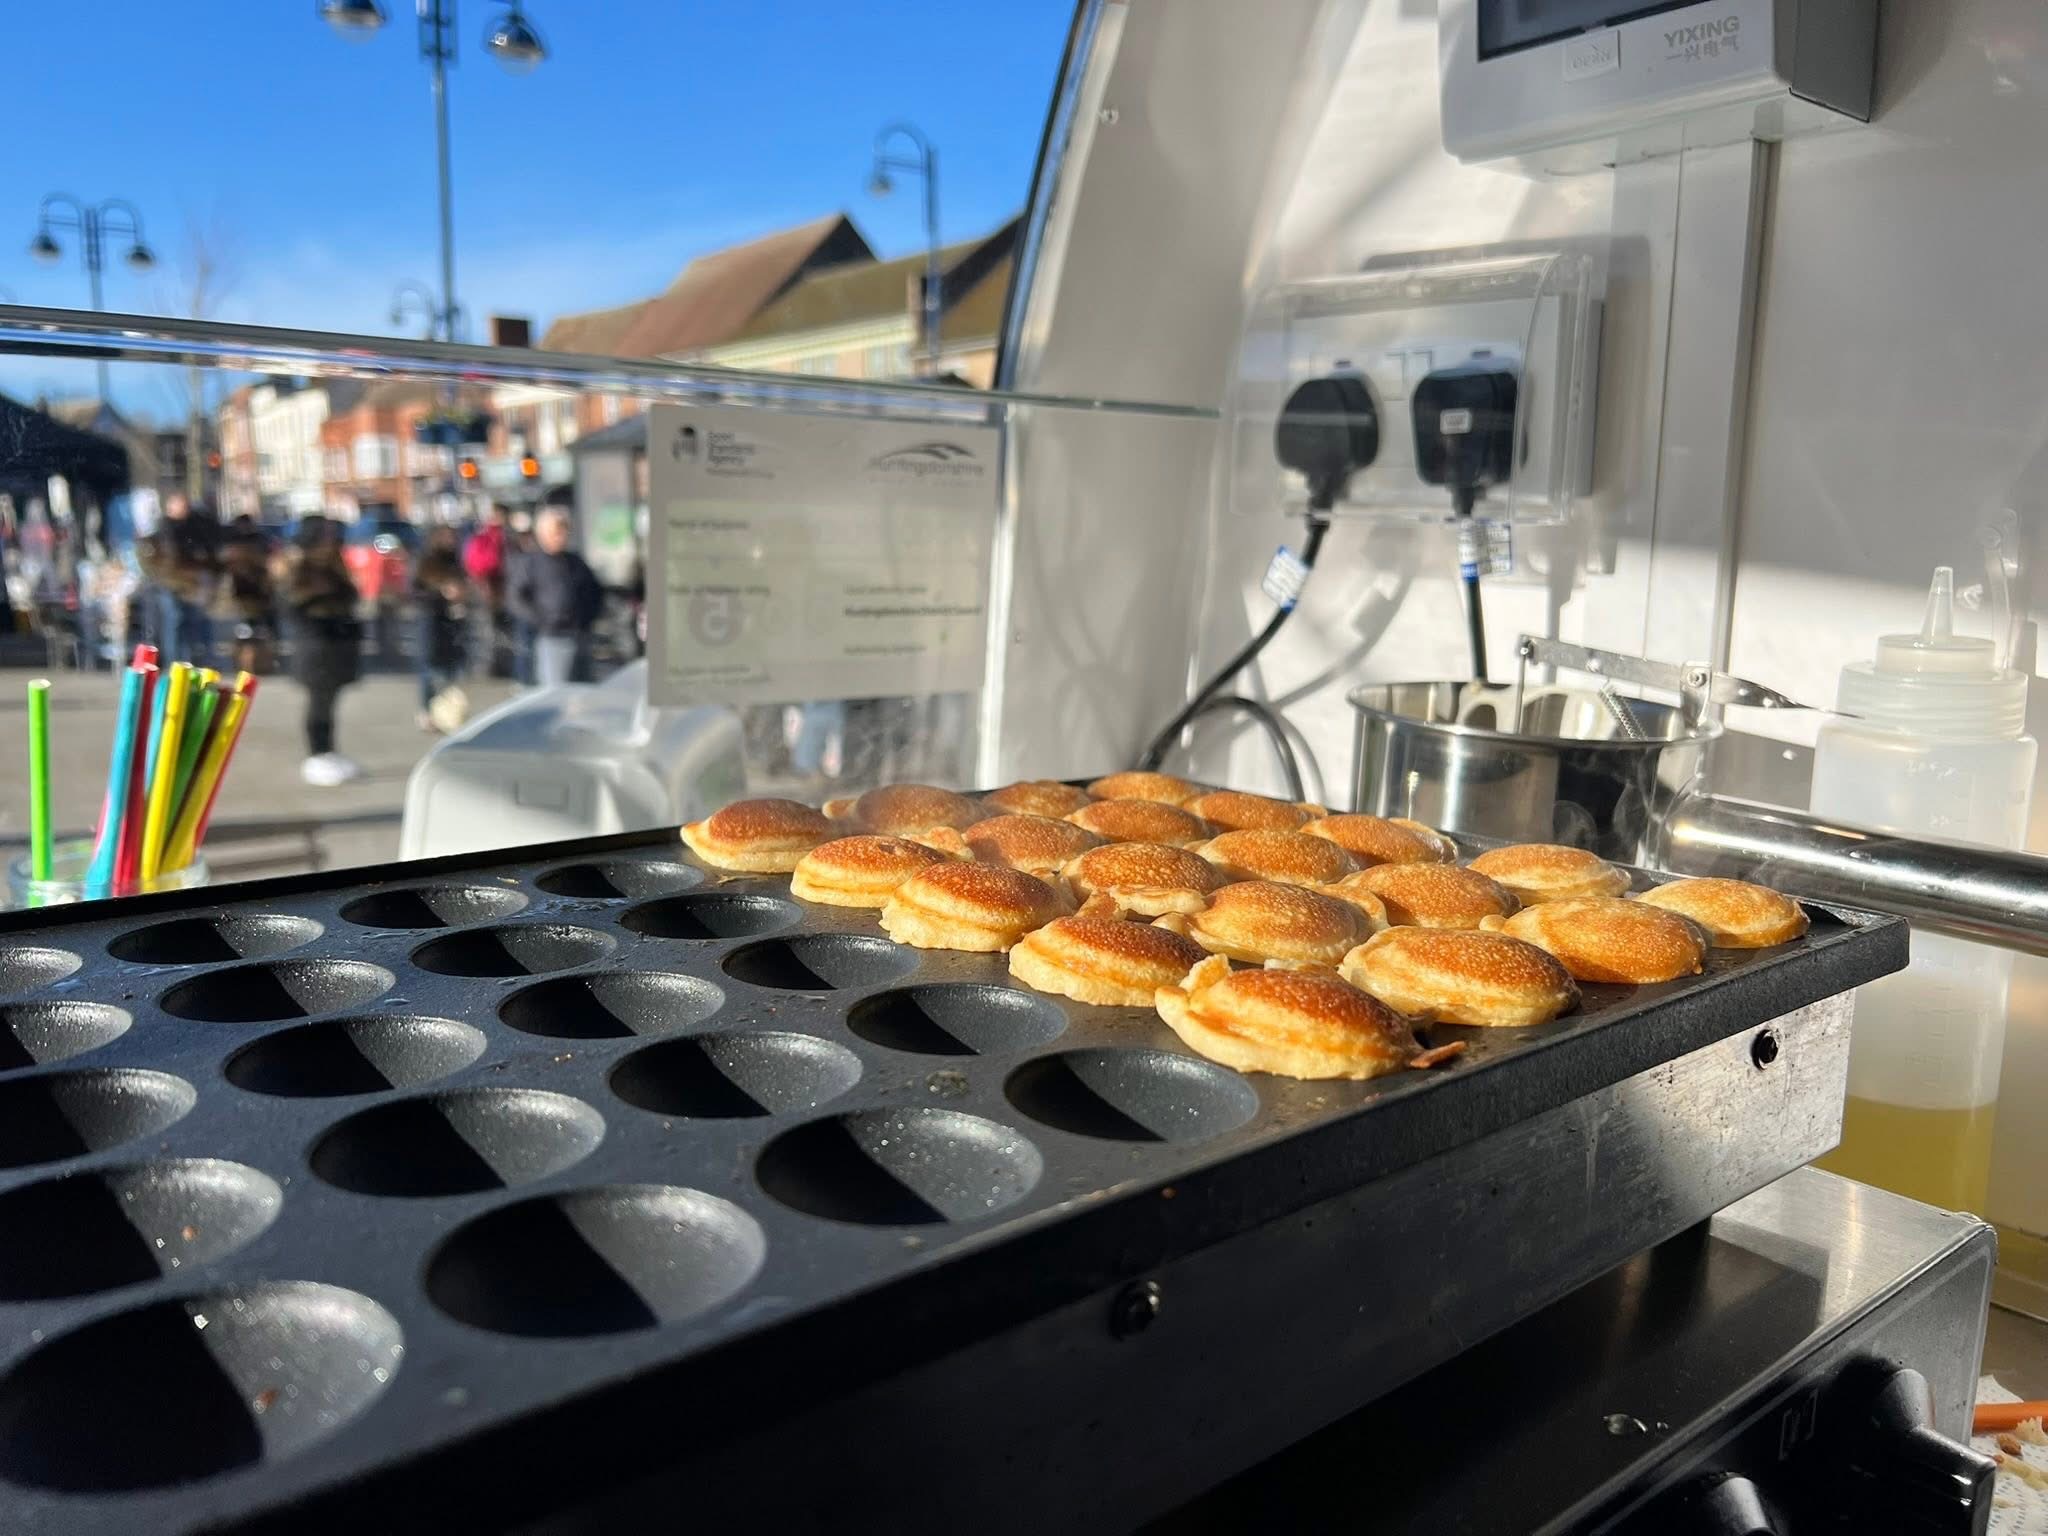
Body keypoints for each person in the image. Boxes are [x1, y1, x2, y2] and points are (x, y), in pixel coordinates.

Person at [283, 517, 364, 785]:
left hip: (336, 646)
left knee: (329, 703)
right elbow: (294, 606)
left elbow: (350, 597)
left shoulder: (333, 567)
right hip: (316, 647)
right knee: (319, 703)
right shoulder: (302, 569)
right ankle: (318, 754)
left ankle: (328, 751)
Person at [508, 502, 602, 688]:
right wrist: (540, 618)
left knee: (583, 688)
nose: (561, 536)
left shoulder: (575, 562)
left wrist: (588, 617)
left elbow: (595, 591)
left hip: (579, 635)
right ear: (543, 534)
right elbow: (516, 597)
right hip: (551, 637)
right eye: (556, 532)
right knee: (557, 689)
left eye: (564, 531)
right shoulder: (531, 563)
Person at [141, 492, 221, 667]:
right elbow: (150, 555)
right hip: (169, 583)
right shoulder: (163, 530)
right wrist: (160, 574)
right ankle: (175, 662)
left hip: (189, 583)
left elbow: (207, 548)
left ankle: (189, 661)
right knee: (175, 620)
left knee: (191, 621)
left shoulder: (194, 527)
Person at [412, 524, 469, 731]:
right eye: (446, 537)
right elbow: (415, 593)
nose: (450, 541)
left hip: (454, 620)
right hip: (431, 621)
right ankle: (427, 710)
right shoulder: (425, 563)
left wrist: (461, 595)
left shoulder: (455, 562)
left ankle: (446, 712)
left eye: (453, 537)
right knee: (430, 669)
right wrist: (440, 593)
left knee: (451, 669)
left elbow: (465, 585)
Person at [213, 515, 276, 675]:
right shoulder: (257, 542)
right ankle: (255, 662)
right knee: (254, 631)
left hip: (250, 596)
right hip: (250, 596)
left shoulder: (231, 545)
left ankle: (248, 663)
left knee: (249, 632)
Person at [461, 503, 509, 677]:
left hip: (501, 588)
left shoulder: (504, 537)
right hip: (487, 587)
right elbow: (478, 562)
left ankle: (499, 663)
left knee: (498, 630)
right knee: (487, 630)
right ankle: (489, 665)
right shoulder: (485, 538)